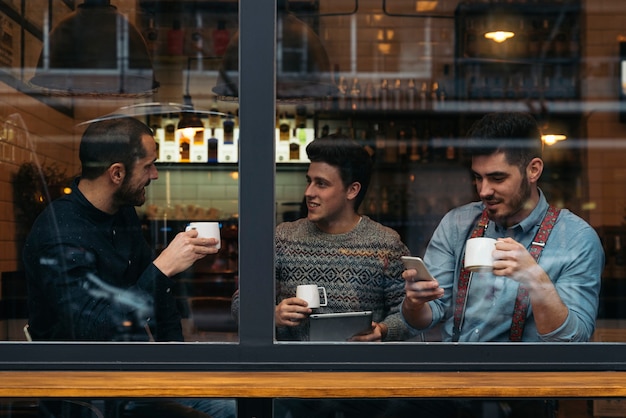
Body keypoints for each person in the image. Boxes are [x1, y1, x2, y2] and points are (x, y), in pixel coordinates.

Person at [23, 117, 234, 418]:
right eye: (148, 165)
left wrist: (181, 367)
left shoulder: (121, 214)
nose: (155, 174)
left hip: (132, 376)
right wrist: (162, 267)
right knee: (232, 408)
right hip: (88, 392)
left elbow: (160, 301)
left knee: (239, 397)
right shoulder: (59, 234)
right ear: (117, 173)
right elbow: (94, 329)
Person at [233, 136, 413, 343]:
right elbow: (241, 302)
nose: (309, 192)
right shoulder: (283, 238)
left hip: (358, 369)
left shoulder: (385, 243)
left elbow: (409, 315)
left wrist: (382, 330)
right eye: (309, 181)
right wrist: (271, 315)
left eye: (321, 184)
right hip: (290, 367)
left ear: (352, 190)